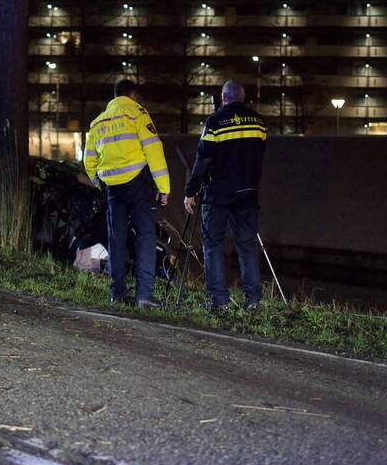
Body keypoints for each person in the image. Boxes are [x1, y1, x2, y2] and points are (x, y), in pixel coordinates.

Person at [84, 79, 170, 308]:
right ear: (133, 96)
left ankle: (117, 294)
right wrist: (164, 187)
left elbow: (89, 162)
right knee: (145, 237)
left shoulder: (97, 122)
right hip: (138, 183)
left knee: (116, 238)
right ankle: (144, 295)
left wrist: (100, 183)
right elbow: (154, 150)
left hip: (112, 187)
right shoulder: (137, 114)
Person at [183, 79, 267, 312]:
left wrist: (190, 191)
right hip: (249, 192)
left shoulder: (215, 121)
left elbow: (203, 161)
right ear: (242, 96)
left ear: (222, 97)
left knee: (212, 245)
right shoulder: (258, 122)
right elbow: (259, 153)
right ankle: (253, 300)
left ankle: (219, 300)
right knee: (247, 246)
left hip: (218, 194)